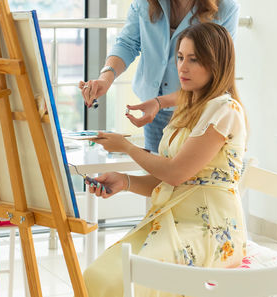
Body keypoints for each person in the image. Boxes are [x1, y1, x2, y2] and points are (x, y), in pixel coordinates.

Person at [83, 22, 247, 297]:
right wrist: (125, 182)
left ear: (216, 64)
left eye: (194, 60)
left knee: (140, 280)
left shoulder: (225, 110)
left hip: (211, 229)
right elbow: (171, 183)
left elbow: (175, 174)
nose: (182, 67)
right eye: (180, 57)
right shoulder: (189, 107)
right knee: (97, 276)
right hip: (171, 219)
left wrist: (126, 147)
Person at [79, 0, 240, 153]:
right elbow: (127, 44)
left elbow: (219, 73)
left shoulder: (226, 8)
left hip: (197, 109)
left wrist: (128, 149)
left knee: (183, 174)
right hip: (154, 111)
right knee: (156, 174)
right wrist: (105, 78)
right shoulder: (145, 3)